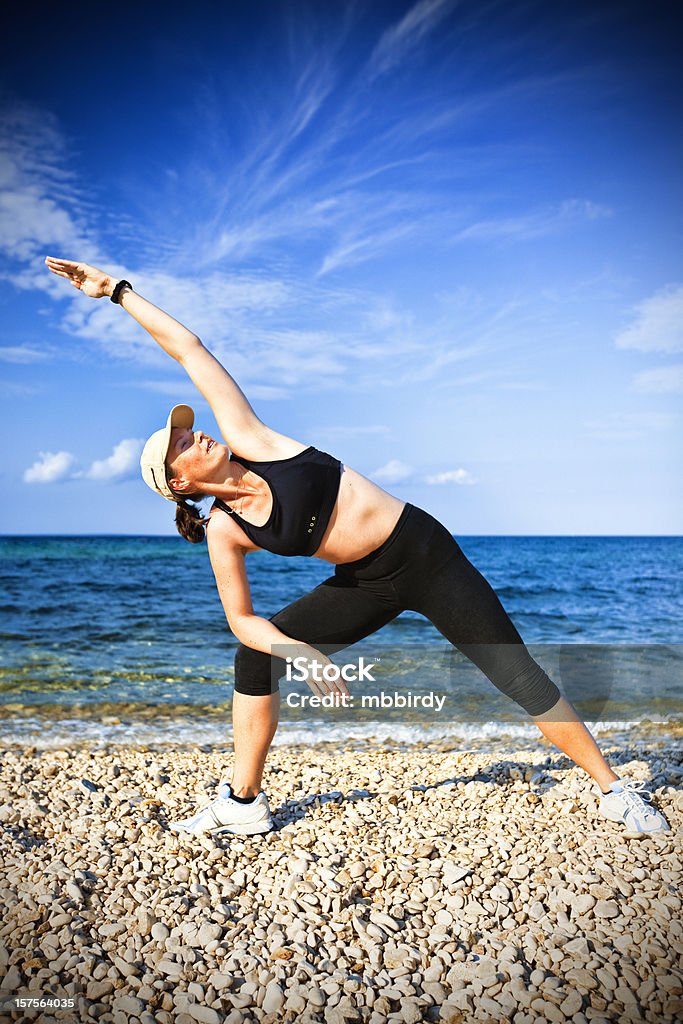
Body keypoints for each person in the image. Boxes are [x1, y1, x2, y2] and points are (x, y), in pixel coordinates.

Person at [45, 256, 669, 837]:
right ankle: (242, 803)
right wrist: (302, 652)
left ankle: (613, 789)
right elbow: (242, 621)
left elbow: (189, 350)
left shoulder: (251, 436)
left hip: (426, 555)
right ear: (179, 483)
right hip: (367, 582)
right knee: (255, 659)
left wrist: (117, 293)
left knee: (514, 671)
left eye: (187, 428)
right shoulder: (225, 529)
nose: (196, 432)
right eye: (182, 441)